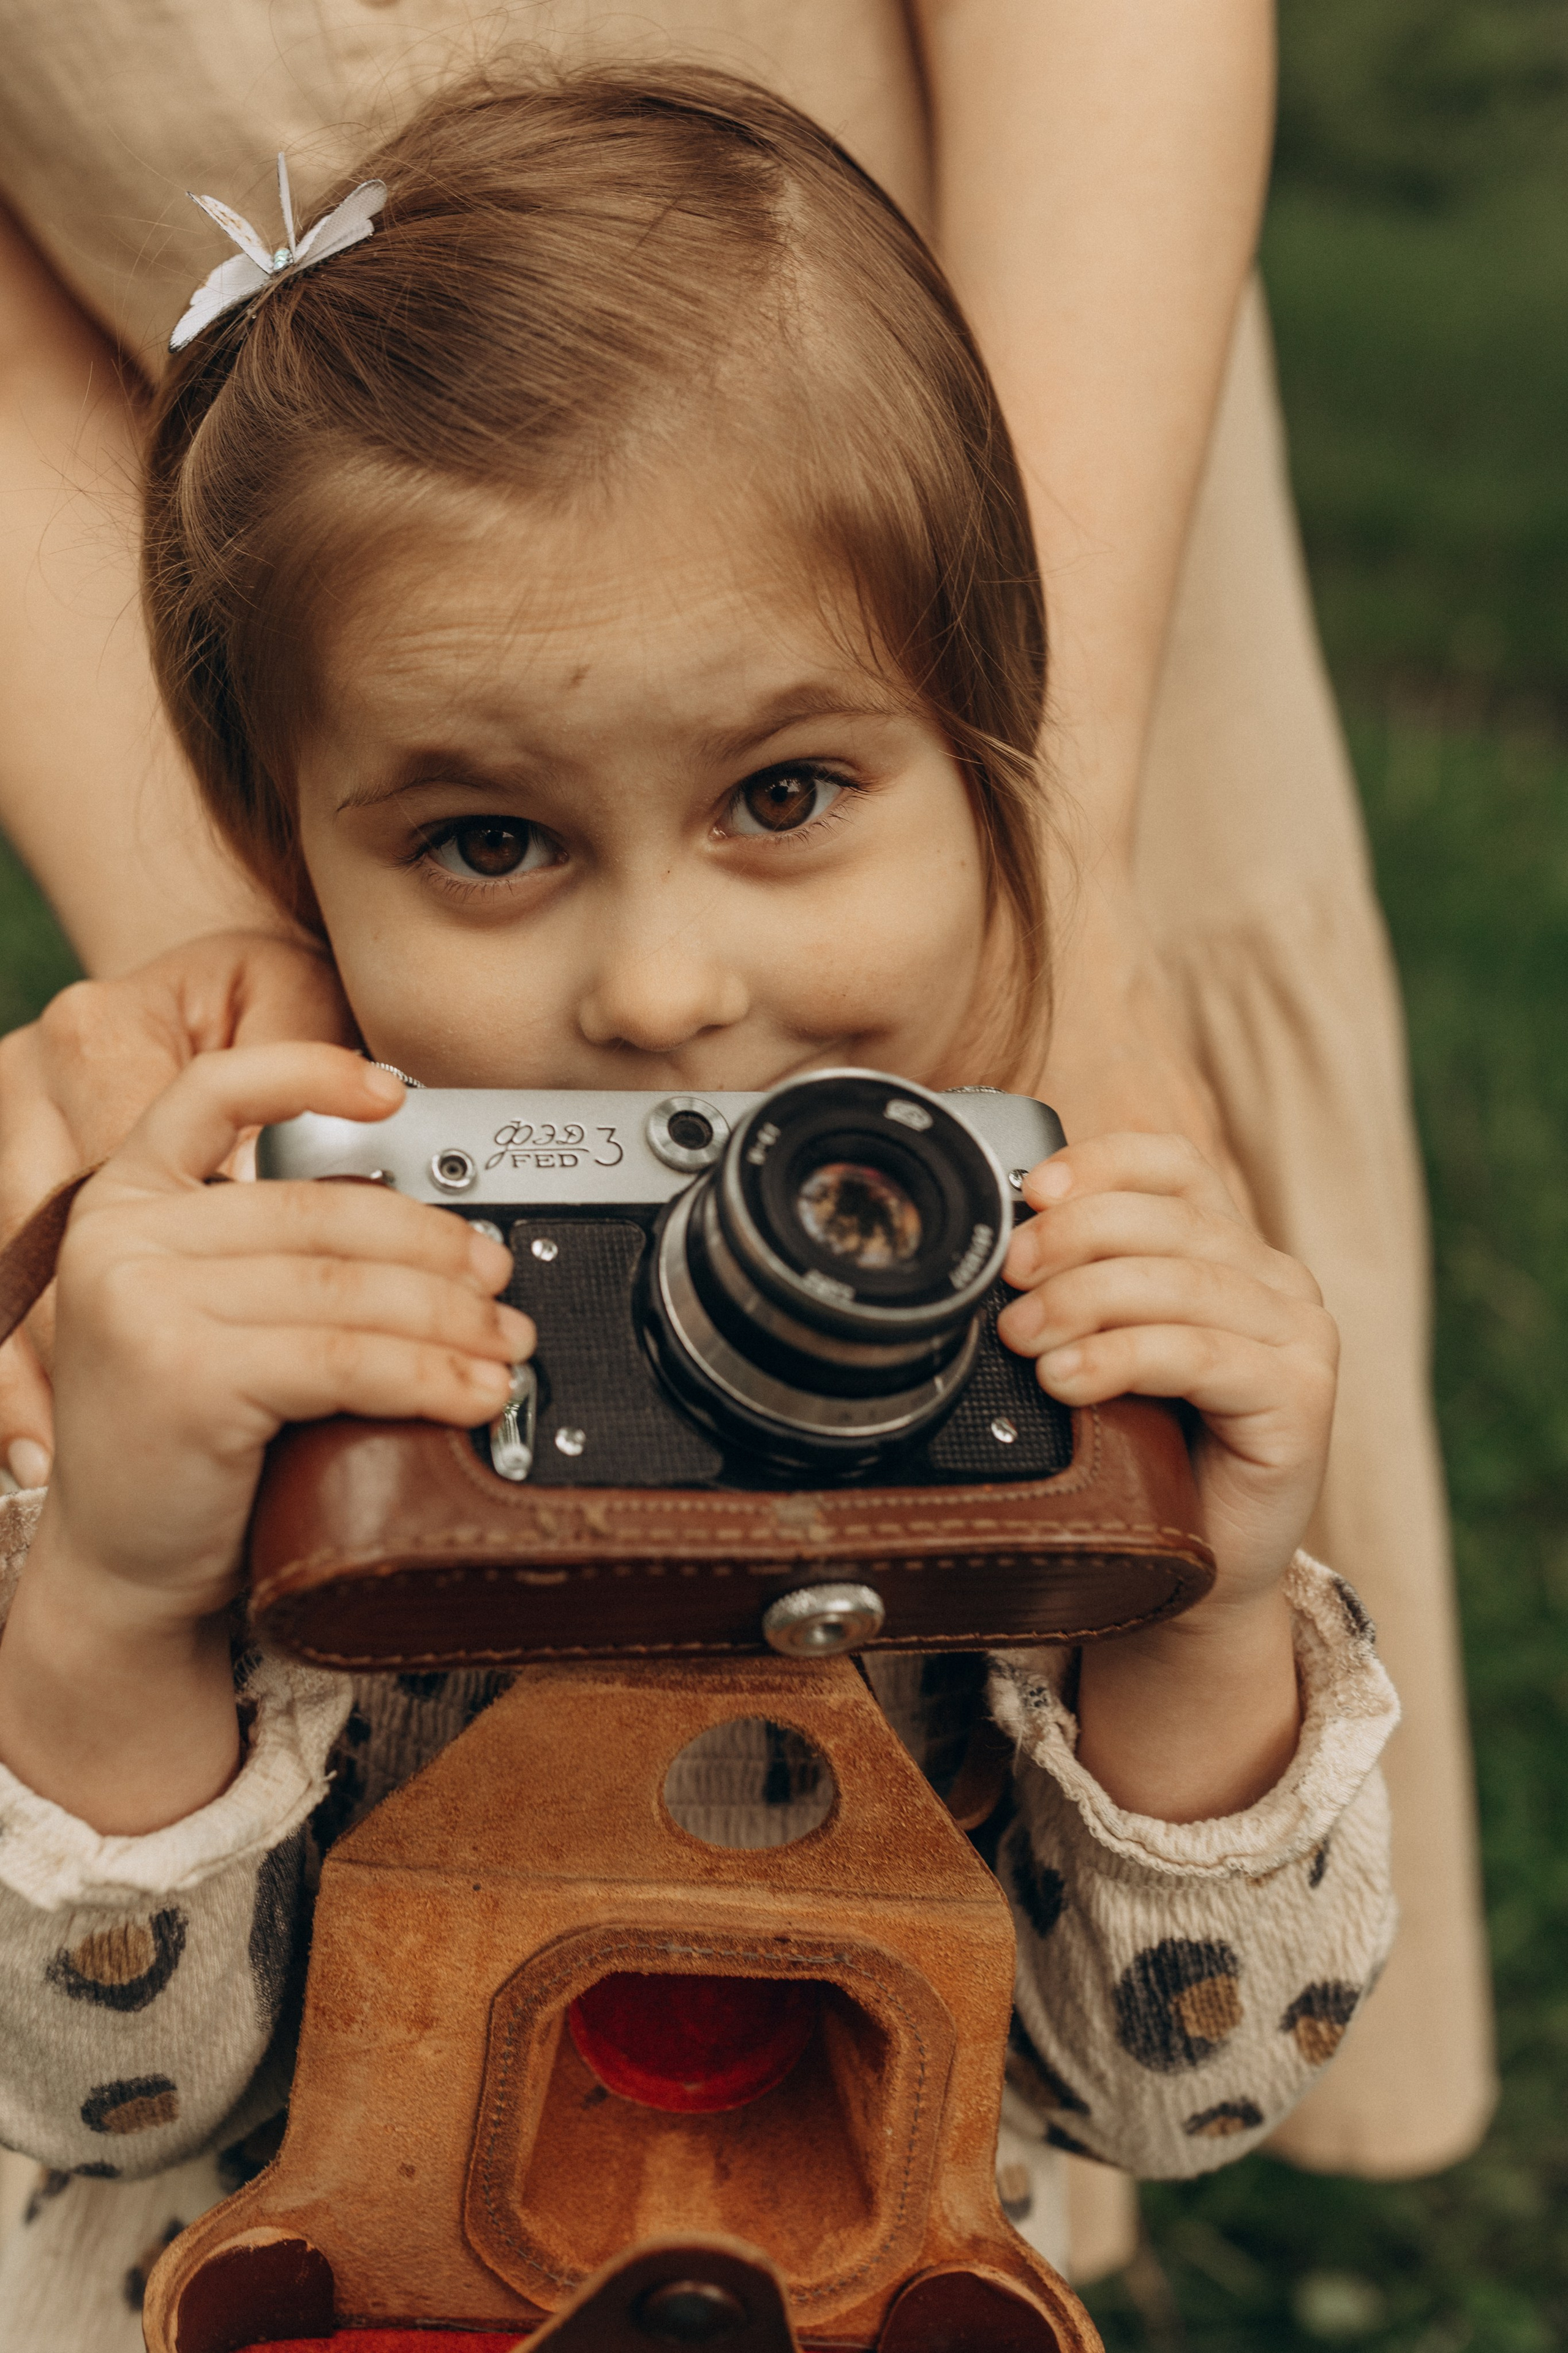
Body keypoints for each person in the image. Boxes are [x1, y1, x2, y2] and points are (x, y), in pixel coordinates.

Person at [0, 0, 1488, 2255]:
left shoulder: (1010, 1287)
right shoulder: (223, 1309)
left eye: (785, 795)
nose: (666, 986)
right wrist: (112, 1594)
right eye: (488, 841)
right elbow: (94, 2091)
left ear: (1003, 755)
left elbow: (1169, 2081)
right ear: (282, 853)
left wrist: (1194, 1598)